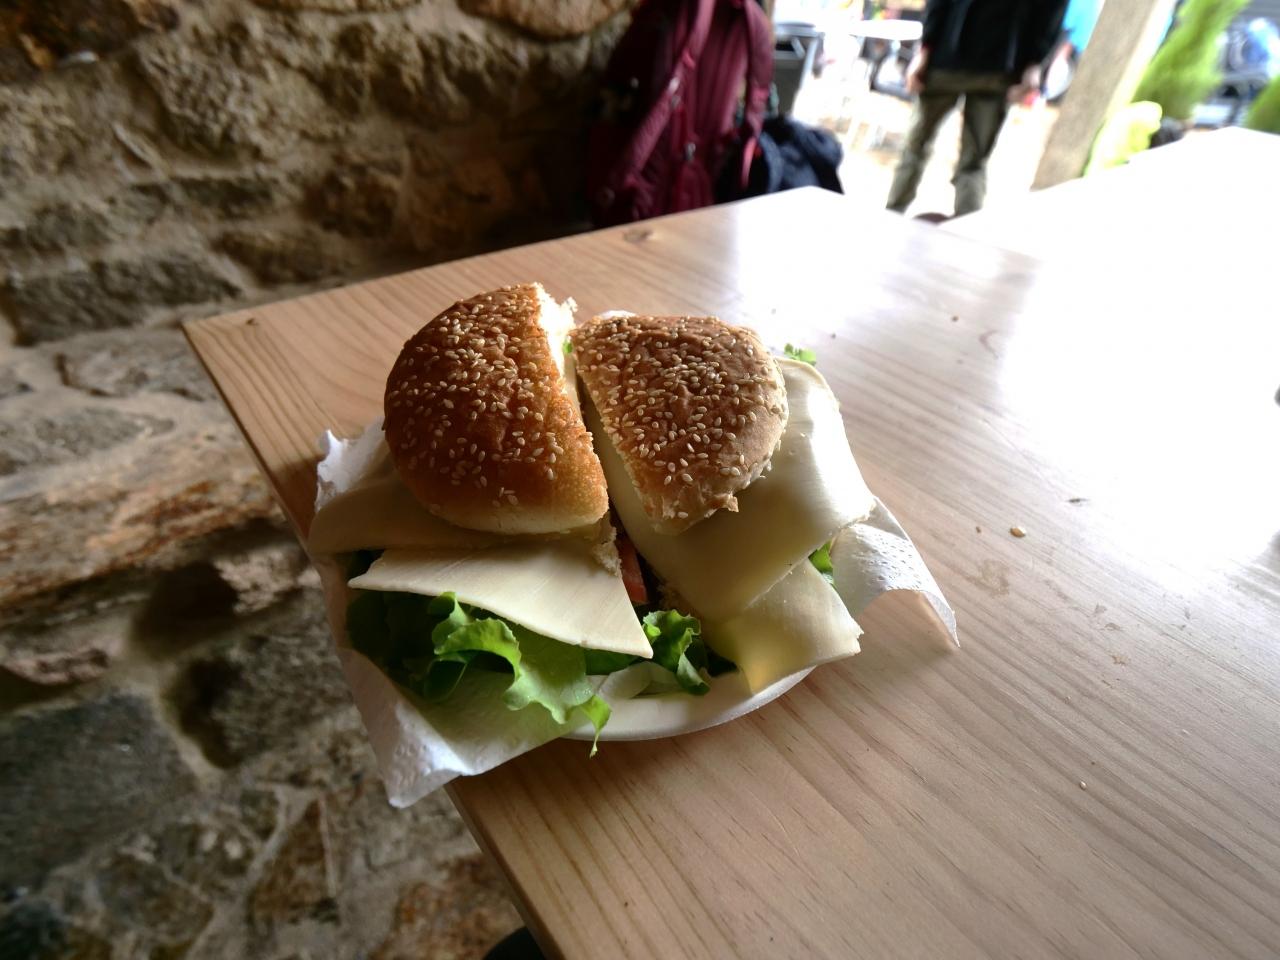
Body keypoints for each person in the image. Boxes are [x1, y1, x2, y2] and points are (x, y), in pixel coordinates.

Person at [886, 0, 1069, 217]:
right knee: (971, 164)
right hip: (995, 62)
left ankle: (894, 215)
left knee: (918, 150)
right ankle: (955, 224)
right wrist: (1035, 62)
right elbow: (1051, 10)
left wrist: (925, 49)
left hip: (961, 58)